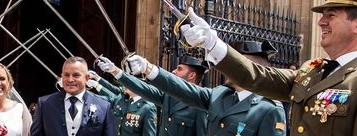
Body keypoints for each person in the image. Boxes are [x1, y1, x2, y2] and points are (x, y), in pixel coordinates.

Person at [181, 0, 357, 136]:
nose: (321, 22)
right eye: (322, 15)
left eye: (331, 15)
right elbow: (258, 77)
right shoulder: (312, 71)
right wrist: (212, 44)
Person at [98, 40, 286, 136]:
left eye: (231, 65)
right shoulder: (221, 95)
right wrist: (148, 68)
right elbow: (181, 90)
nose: (224, 69)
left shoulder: (268, 109)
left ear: (247, 69)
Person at [96, 55, 207, 136]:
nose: (173, 71)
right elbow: (143, 89)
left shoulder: (200, 105)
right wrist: (114, 70)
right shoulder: (168, 96)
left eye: (179, 69)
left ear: (191, 75)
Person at [30, 56, 115, 136]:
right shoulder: (45, 104)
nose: (70, 80)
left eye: (76, 75)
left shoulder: (103, 107)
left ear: (87, 78)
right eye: (66, 75)